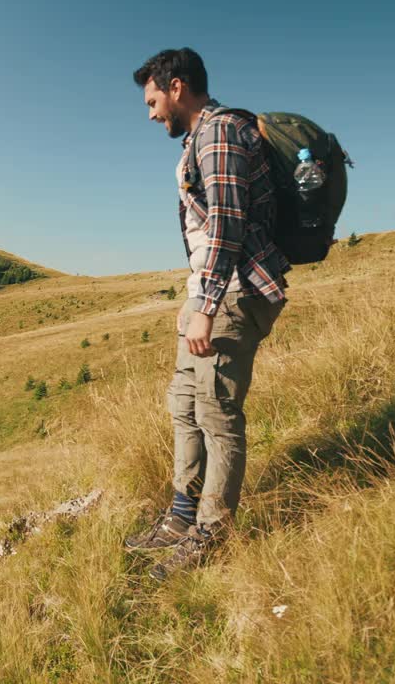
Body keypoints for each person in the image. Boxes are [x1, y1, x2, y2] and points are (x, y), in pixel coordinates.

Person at [122, 48, 290, 581]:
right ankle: (180, 518)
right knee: (185, 405)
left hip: (235, 294)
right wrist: (196, 297)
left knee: (217, 413)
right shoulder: (201, 139)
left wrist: (208, 307)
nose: (150, 114)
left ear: (176, 88)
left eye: (153, 100)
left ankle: (213, 533)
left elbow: (227, 224)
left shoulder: (219, 133)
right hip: (209, 292)